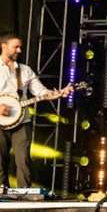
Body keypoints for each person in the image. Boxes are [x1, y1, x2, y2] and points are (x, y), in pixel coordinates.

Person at [0, 32, 72, 188]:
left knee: (23, 159)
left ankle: (23, 193)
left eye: (20, 47)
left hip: (22, 120)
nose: (19, 51)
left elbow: (40, 92)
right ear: (3, 46)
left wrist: (57, 94)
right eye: (16, 47)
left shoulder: (25, 71)